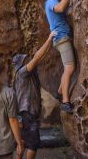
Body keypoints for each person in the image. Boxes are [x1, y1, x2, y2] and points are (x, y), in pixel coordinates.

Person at [12, 31, 56, 159]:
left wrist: (50, 43)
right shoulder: (22, 73)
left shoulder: (25, 75)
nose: (29, 60)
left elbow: (38, 58)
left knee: (24, 142)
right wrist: (49, 38)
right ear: (21, 64)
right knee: (33, 144)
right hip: (27, 115)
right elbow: (37, 58)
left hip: (25, 115)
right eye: (26, 60)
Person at [44, 0, 76, 113]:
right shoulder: (51, 1)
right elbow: (60, 8)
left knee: (68, 68)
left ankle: (59, 92)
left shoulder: (53, 0)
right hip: (61, 38)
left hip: (62, 38)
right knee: (69, 68)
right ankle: (65, 101)